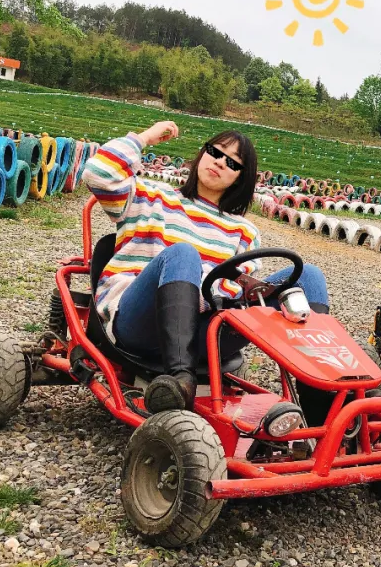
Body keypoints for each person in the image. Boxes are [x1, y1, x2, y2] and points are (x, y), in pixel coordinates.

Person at [83, 120, 330, 412]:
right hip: (140, 323)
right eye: (216, 151)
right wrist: (145, 137)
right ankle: (179, 382)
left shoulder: (244, 232)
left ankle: (322, 408)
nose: (220, 162)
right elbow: (98, 174)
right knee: (182, 254)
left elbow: (238, 295)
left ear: (240, 178)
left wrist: (221, 295)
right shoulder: (149, 196)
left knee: (309, 276)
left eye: (233, 163)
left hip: (206, 334)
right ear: (202, 154)